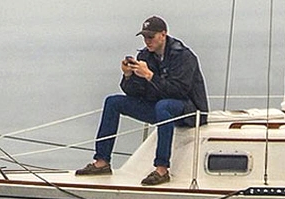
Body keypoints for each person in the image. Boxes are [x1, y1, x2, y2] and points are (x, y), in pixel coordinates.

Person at [76, 16, 209, 186]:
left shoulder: (183, 56)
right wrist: (128, 76)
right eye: (145, 37)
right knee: (113, 102)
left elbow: (179, 91)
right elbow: (136, 93)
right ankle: (102, 161)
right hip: (161, 108)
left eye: (151, 37)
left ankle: (162, 168)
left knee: (164, 106)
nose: (147, 41)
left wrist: (150, 75)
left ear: (163, 34)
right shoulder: (145, 56)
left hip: (190, 110)